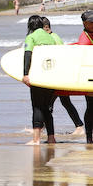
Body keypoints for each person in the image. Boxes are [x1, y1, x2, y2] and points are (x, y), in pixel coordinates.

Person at [22, 15, 61, 145]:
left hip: (39, 77)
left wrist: (25, 74)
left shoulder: (31, 37)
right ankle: (51, 138)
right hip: (52, 76)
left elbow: (28, 55)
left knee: (37, 107)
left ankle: (36, 139)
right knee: (46, 108)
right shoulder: (50, 37)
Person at [72, 11, 93, 143]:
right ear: (84, 23)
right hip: (89, 76)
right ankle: (89, 137)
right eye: (91, 22)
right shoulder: (84, 39)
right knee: (91, 107)